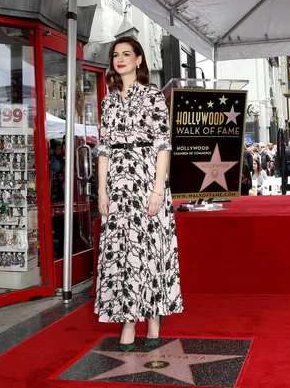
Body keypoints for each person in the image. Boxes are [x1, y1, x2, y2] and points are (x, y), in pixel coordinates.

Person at [95, 37, 183, 351]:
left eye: (126, 54)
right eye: (115, 55)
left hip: (147, 179)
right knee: (123, 253)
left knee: (152, 248)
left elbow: (163, 145)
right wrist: (102, 189)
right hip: (118, 184)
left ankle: (155, 316)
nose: (120, 59)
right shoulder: (107, 101)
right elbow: (103, 149)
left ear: (139, 59)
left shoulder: (153, 96)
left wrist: (158, 189)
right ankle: (128, 320)